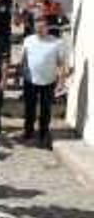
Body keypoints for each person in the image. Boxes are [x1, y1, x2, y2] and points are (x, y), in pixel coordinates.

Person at [20, 16, 69, 149]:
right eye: (37, 27)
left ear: (47, 27)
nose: (39, 29)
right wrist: (21, 74)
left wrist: (61, 82)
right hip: (30, 80)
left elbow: (61, 64)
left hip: (48, 81)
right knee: (29, 107)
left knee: (45, 109)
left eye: (42, 27)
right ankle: (28, 131)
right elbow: (24, 59)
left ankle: (43, 133)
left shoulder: (56, 43)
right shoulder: (28, 40)